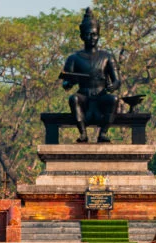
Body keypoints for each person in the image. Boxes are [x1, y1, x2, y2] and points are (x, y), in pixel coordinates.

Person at [60, 8, 121, 143]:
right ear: (82, 36)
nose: (91, 38)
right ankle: (83, 133)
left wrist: (112, 86)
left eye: (94, 35)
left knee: (114, 99)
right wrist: (69, 82)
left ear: (98, 35)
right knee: (73, 99)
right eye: (88, 35)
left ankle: (103, 133)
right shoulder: (74, 58)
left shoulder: (106, 57)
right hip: (84, 96)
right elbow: (65, 83)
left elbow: (117, 80)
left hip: (101, 95)